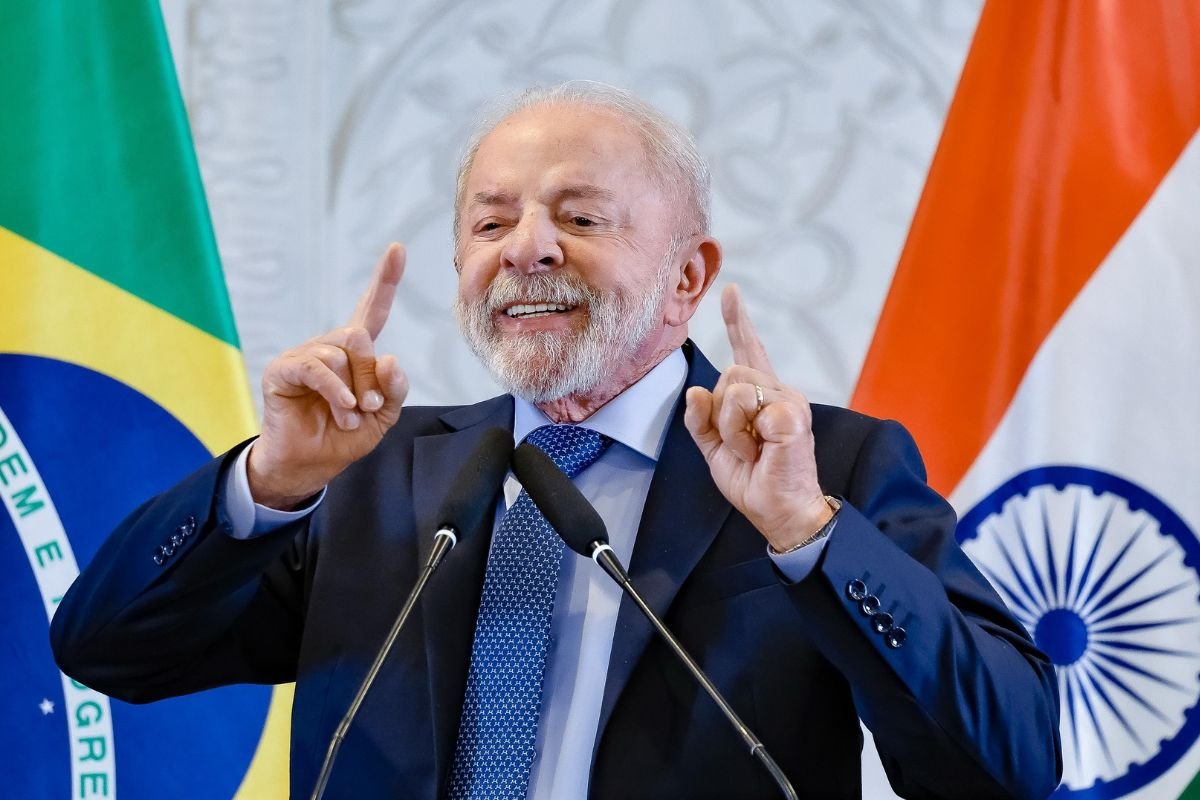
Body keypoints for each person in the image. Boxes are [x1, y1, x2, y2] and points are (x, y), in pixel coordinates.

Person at [51, 82, 1061, 799]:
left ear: (687, 277)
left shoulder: (824, 470)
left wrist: (806, 532)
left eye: (580, 216)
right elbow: (108, 650)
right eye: (490, 226)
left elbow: (1005, 763)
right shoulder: (367, 473)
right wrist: (270, 481)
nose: (527, 248)